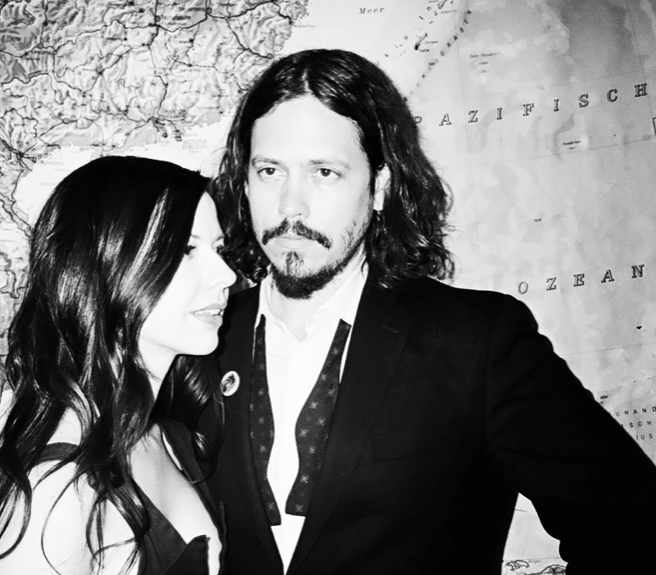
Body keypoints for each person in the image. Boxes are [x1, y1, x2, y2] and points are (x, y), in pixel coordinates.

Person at [205, 48, 656, 574]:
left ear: (380, 187)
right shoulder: (199, 341)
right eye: (269, 171)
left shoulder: (477, 344)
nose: (290, 205)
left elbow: (633, 526)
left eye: (324, 172)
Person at [0, 156, 235, 575]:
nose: (226, 275)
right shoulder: (56, 498)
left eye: (218, 249)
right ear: (106, 265)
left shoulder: (163, 434)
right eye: (186, 249)